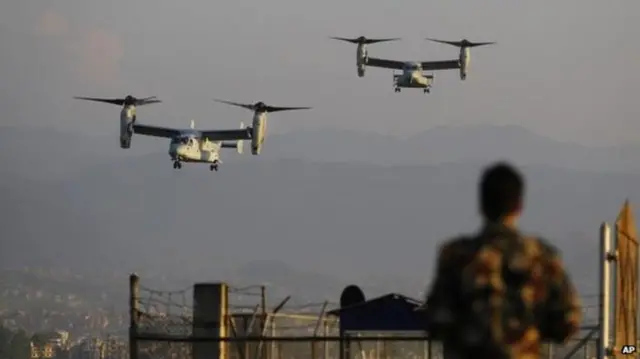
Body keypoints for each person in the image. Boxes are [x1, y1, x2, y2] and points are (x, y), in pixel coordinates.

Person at [422, 162, 582, 359]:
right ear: (519, 206)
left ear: (481, 206)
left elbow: (436, 321)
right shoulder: (541, 258)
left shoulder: (457, 257)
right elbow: (567, 323)